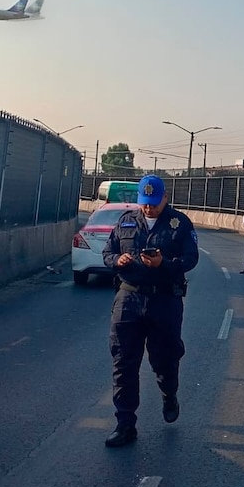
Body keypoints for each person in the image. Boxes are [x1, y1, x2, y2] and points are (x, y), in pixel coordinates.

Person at [101, 174, 199, 448]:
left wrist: (163, 264)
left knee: (164, 360)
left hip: (164, 301)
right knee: (123, 362)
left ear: (164, 198)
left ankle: (169, 393)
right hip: (129, 299)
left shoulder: (179, 224)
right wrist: (116, 260)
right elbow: (108, 252)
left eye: (154, 203)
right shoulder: (127, 221)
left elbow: (191, 258)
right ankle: (125, 424)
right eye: (145, 203)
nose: (148, 208)